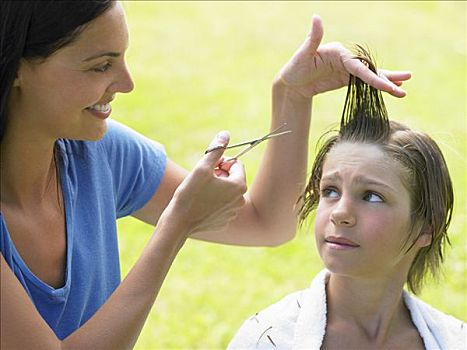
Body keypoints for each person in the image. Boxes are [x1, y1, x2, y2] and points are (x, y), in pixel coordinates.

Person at [0, 1, 409, 348]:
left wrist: (293, 95)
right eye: (100, 66)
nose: (126, 83)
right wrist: (177, 224)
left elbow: (267, 223)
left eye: (123, 59)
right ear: (17, 67)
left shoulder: (99, 154)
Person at [228, 47, 466, 350]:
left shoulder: (455, 340)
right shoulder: (268, 339)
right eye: (330, 191)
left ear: (426, 228)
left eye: (372, 196)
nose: (341, 213)